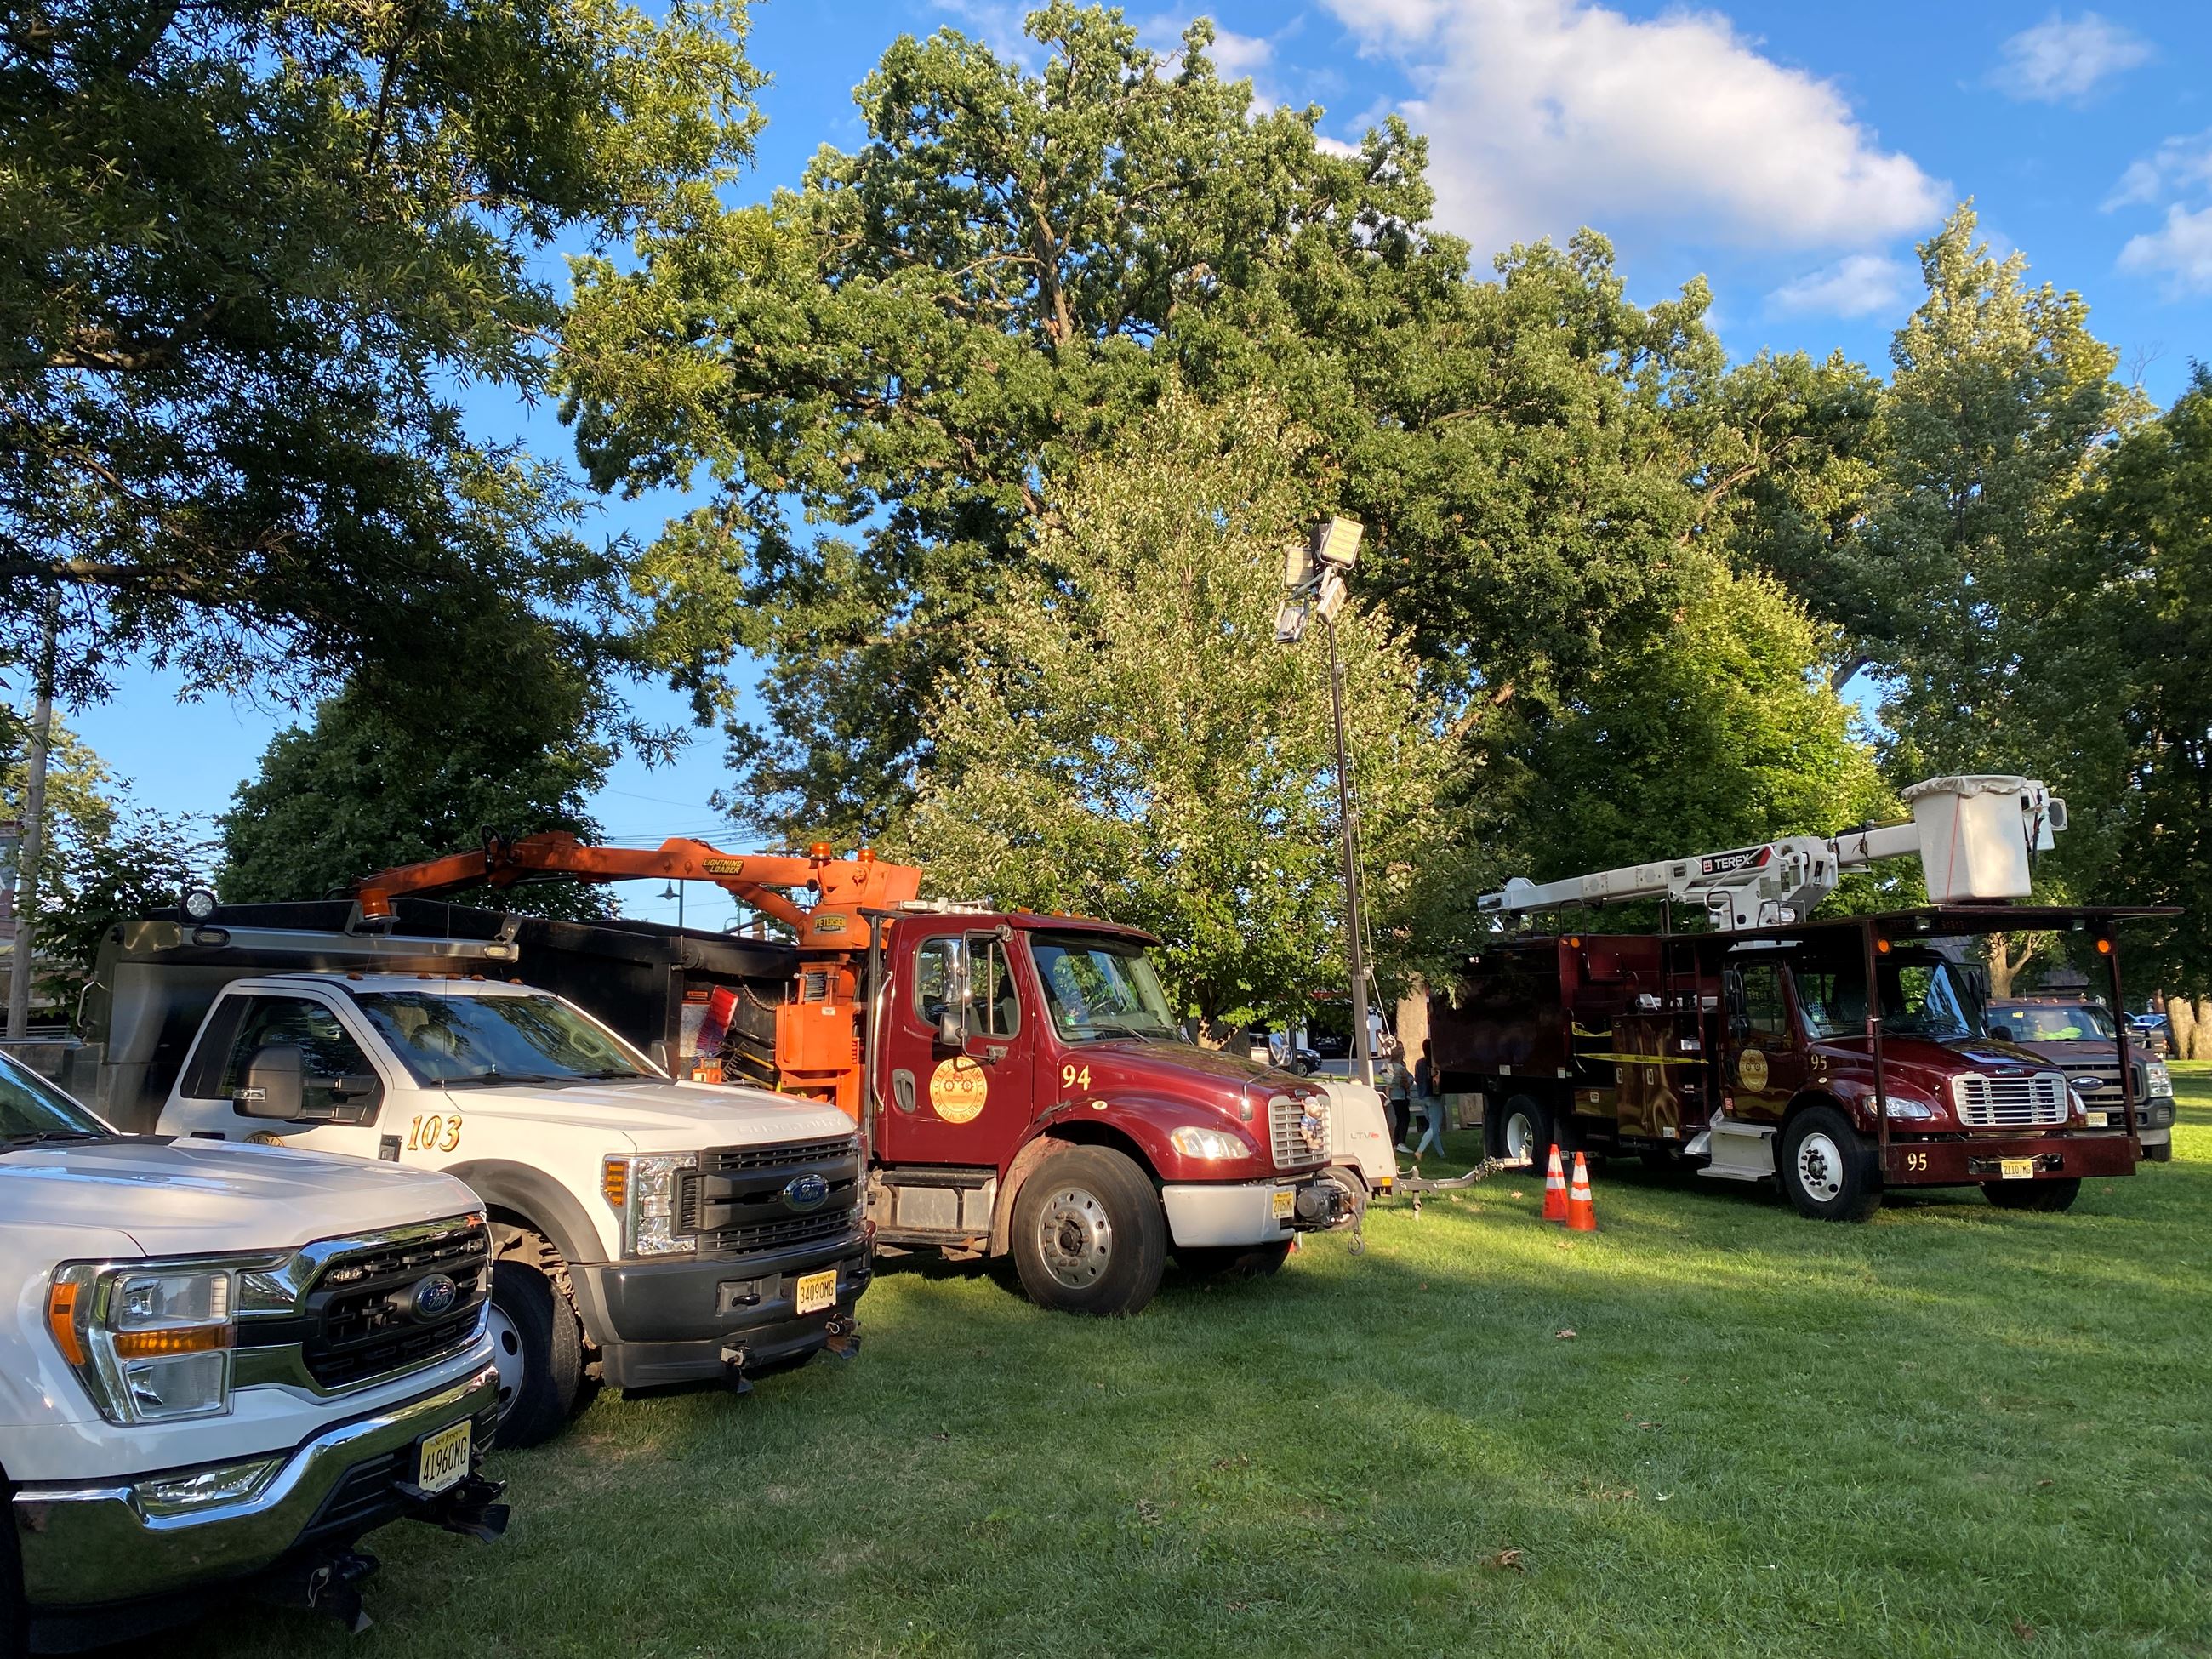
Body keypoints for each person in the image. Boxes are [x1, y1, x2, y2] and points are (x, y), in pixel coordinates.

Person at [1410, 1037, 1446, 1160]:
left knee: (1433, 1127)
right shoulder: (1434, 1064)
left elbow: (1417, 1079)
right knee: (1434, 1128)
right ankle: (1419, 1151)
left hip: (1422, 1097)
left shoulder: (1419, 1063)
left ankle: (1441, 1154)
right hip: (1433, 1097)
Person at [1381, 1036, 1411, 1151]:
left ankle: (1396, 1143)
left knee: (1400, 1118)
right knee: (1404, 1118)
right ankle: (1401, 1143)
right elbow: (1403, 1081)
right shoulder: (1397, 1066)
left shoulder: (1396, 1065)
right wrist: (1407, 1083)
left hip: (1397, 1095)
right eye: (1399, 1049)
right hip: (1399, 1095)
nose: (1402, 1050)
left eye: (1402, 1048)